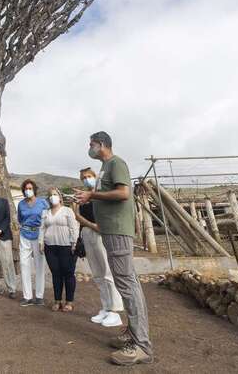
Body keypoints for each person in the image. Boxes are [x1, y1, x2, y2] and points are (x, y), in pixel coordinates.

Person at [74, 131, 153, 366]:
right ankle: (133, 333)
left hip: (118, 230)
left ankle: (142, 346)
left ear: (102, 145)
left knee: (126, 284)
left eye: (92, 144)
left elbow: (123, 192)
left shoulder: (116, 163)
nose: (89, 148)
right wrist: (90, 197)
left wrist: (92, 194)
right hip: (110, 230)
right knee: (127, 282)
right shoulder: (105, 168)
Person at [74, 167, 124, 327]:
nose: (86, 180)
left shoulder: (101, 194)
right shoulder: (84, 197)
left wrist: (84, 221)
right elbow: (80, 218)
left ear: (95, 177)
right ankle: (106, 307)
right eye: (83, 178)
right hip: (88, 235)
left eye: (89, 176)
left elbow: (100, 223)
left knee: (107, 272)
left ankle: (115, 311)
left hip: (100, 235)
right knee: (97, 274)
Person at [39, 187, 79, 312]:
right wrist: (41, 242)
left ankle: (69, 301)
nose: (52, 197)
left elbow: (74, 227)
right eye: (50, 195)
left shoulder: (67, 211)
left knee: (68, 273)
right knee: (56, 274)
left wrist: (74, 243)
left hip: (66, 246)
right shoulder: (45, 213)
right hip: (50, 247)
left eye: (55, 194)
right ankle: (57, 300)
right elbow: (42, 228)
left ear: (60, 197)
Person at [17, 179, 48, 307]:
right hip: (24, 235)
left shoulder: (42, 202)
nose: (28, 190)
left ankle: (39, 296)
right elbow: (20, 219)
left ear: (34, 189)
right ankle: (27, 297)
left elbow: (47, 218)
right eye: (26, 189)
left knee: (39, 265)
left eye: (30, 188)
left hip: (38, 235)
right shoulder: (21, 204)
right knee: (24, 264)